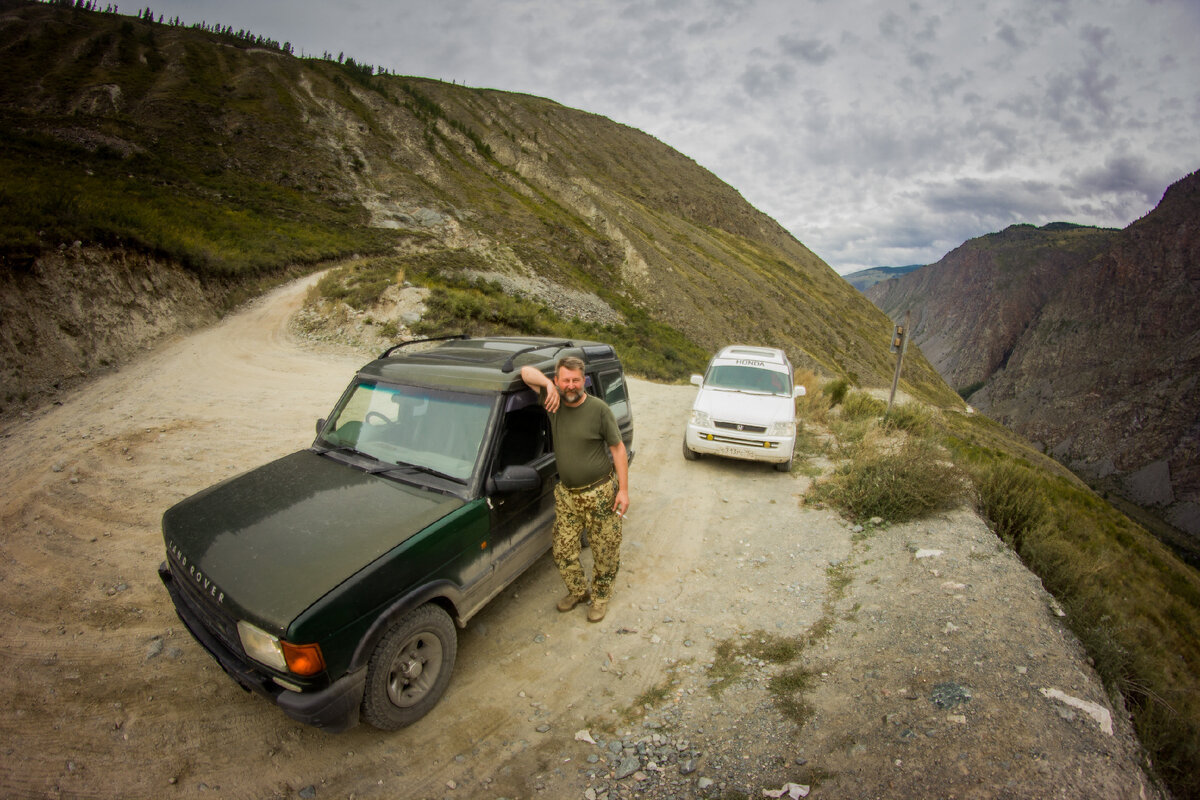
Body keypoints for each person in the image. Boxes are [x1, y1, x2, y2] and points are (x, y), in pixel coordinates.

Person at [520, 356, 629, 622]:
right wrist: (546, 383)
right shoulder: (553, 401)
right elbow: (525, 372)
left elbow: (618, 449)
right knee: (562, 549)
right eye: (565, 380)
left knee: (605, 550)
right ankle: (578, 591)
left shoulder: (599, 409)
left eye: (576, 380)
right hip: (567, 495)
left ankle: (600, 598)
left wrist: (623, 490)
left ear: (584, 381)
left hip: (600, 493)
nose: (571, 385)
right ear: (558, 380)